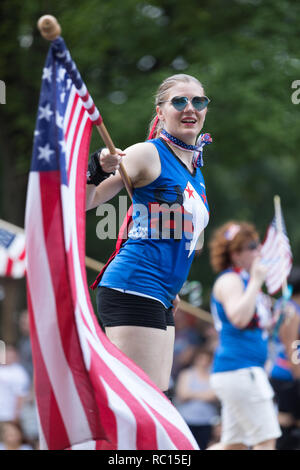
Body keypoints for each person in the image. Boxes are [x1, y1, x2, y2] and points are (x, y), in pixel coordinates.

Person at [86, 74, 211, 395]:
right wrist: (98, 165)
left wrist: (173, 284)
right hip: (134, 286)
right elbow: (88, 201)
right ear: (160, 111)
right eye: (179, 101)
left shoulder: (194, 168)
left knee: (155, 402)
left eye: (198, 101)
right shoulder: (147, 153)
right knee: (143, 405)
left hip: (161, 294)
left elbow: (177, 234)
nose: (190, 108)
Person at [208, 221, 281, 450]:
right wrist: (257, 281)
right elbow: (238, 318)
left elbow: (255, 326)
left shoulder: (246, 283)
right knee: (265, 440)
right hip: (241, 370)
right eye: (252, 246)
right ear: (236, 254)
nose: (259, 250)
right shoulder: (231, 280)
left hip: (240, 372)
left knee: (233, 446)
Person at [269, 266, 300, 450]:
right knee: (288, 425)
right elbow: (291, 346)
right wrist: (298, 375)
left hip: (286, 372)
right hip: (288, 375)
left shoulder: (285, 303)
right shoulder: (291, 309)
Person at [175, 346, 219, 449]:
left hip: (206, 421)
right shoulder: (186, 374)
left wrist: (192, 394)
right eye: (201, 359)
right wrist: (204, 394)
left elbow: (214, 396)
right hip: (187, 419)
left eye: (206, 359)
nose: (203, 362)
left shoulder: (213, 376)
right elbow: (182, 395)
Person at [0, 344, 31, 424]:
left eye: (9, 354)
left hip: (9, 416)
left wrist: (16, 415)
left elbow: (20, 395)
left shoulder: (18, 372)